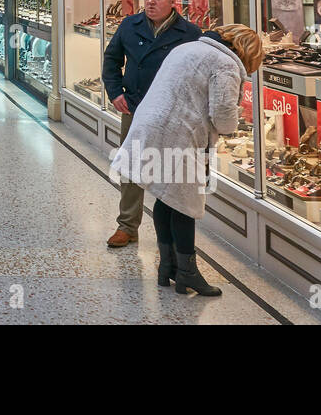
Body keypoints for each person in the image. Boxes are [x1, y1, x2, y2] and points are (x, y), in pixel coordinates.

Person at [110, 24, 263, 297]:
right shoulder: (226, 64)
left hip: (151, 127)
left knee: (164, 197)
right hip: (180, 135)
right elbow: (224, 117)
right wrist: (235, 123)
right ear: (247, 51)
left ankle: (166, 267)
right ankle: (187, 272)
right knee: (184, 204)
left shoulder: (189, 47)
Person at [100, 0, 201, 248]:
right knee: (131, 166)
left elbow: (197, 74)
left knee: (169, 168)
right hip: (135, 106)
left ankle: (167, 230)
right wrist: (115, 92)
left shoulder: (190, 33)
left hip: (173, 112)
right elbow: (111, 60)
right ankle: (127, 226)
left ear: (172, 1)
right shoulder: (129, 26)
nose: (151, 2)